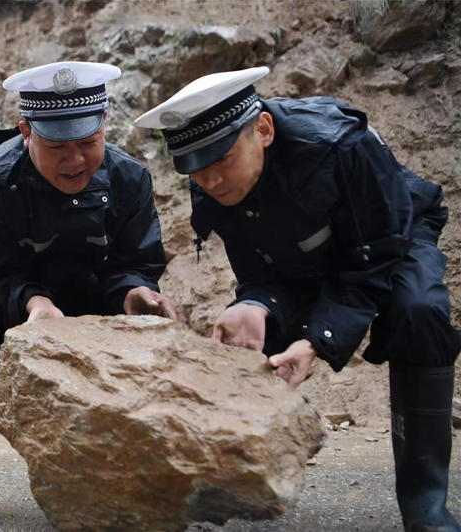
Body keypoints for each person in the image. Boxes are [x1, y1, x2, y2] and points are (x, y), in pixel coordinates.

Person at [134, 66, 461, 532]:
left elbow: (372, 260)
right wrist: (257, 305)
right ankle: (242, 481)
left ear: (263, 130)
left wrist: (314, 341)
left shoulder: (339, 145)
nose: (210, 180)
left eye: (222, 160)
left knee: (418, 310)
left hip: (389, 236)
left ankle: (426, 505)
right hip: (305, 255)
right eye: (196, 170)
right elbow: (261, 271)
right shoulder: (210, 174)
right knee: (257, 335)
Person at [0, 61, 176, 519]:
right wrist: (35, 301)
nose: (75, 160)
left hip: (90, 290)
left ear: (105, 123)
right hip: (4, 286)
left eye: (87, 143)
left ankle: (129, 470)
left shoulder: (130, 179)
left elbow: (135, 263)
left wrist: (134, 292)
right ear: (26, 131)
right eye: (58, 147)